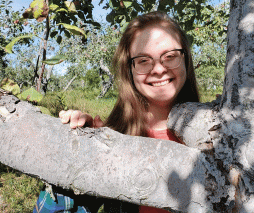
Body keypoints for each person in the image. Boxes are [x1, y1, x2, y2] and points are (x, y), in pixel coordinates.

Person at [33, 11, 200, 213]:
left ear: (185, 60)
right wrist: (78, 146)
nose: (158, 69)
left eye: (170, 56)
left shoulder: (220, 135)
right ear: (129, 70)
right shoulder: (113, 136)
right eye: (143, 60)